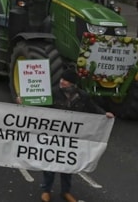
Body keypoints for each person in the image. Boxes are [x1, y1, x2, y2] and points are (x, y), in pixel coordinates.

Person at [38, 69, 114, 202]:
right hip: (54, 136)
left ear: (73, 84)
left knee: (67, 164)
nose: (62, 81)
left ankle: (66, 192)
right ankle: (46, 190)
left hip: (71, 138)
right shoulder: (54, 92)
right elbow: (39, 105)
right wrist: (23, 102)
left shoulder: (82, 96)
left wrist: (104, 114)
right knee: (49, 162)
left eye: (65, 80)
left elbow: (93, 108)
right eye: (61, 78)